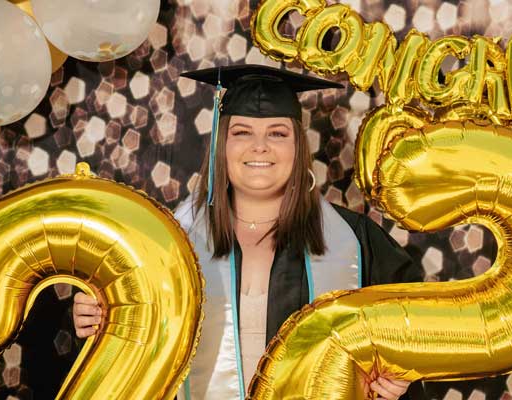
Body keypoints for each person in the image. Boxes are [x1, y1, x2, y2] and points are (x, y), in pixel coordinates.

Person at [73, 65, 423, 400]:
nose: (260, 147)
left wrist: (399, 377)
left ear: (298, 146)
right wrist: (97, 321)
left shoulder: (355, 240)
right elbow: (131, 357)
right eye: (242, 132)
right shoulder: (168, 243)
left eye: (277, 133)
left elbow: (411, 337)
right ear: (221, 145)